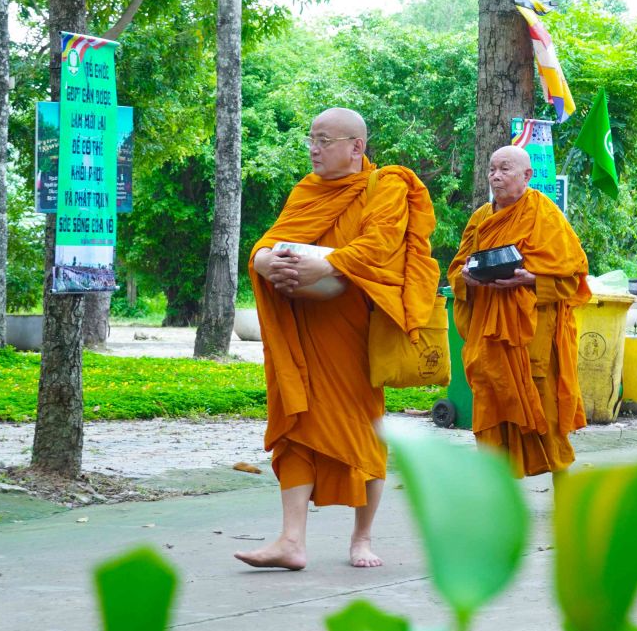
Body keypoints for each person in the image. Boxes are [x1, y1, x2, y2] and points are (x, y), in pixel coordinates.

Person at [240, 108, 440, 571]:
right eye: (311, 139)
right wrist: (264, 261)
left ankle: (362, 538)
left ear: (356, 147)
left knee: (363, 433)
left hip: (354, 332)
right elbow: (271, 241)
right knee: (296, 427)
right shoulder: (306, 191)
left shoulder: (386, 186)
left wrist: (327, 265)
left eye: (324, 140)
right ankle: (291, 541)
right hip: (302, 329)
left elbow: (380, 244)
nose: (314, 148)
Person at [448, 145, 591, 479]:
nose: (495, 177)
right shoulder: (481, 219)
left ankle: (564, 496)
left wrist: (533, 279)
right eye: (492, 169)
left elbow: (572, 279)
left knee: (547, 418)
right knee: (490, 412)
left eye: (505, 169)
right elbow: (457, 269)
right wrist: (466, 279)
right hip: (490, 340)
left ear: (527, 175)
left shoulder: (545, 215)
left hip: (532, 338)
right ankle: (497, 497)